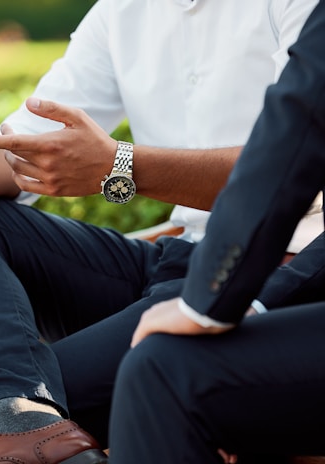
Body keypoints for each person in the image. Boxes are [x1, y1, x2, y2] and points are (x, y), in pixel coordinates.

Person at [0, 0, 320, 463]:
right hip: (175, 260)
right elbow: (21, 149)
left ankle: (21, 418)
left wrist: (122, 165)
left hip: (274, 271)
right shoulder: (121, 11)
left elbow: (293, 165)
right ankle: (24, 414)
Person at [108, 1, 325, 462]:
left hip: (247, 274)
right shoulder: (118, 12)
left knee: (160, 373)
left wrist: (209, 302)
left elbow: (299, 127)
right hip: (185, 265)